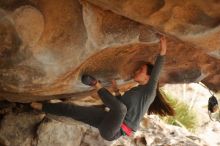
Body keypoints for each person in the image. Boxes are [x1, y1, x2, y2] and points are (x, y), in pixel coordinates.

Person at [31, 35, 175, 141]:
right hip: (107, 119)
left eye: (141, 70)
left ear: (148, 78)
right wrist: (117, 91)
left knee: (120, 109)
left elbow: (155, 74)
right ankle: (39, 106)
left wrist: (162, 52)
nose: (137, 71)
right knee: (73, 110)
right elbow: (120, 105)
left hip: (114, 131)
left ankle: (96, 84)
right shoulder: (135, 91)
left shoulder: (149, 92)